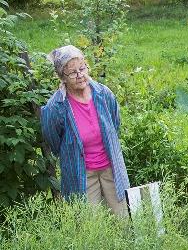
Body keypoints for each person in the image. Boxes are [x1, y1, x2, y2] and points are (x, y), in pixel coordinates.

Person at [41, 45, 129, 216]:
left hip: (111, 168)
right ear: (62, 77)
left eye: (82, 68)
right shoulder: (56, 107)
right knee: (90, 226)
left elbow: (115, 124)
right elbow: (53, 140)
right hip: (81, 173)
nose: (80, 75)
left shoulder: (103, 94)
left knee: (123, 218)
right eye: (72, 72)